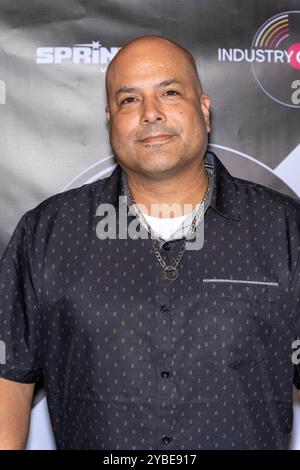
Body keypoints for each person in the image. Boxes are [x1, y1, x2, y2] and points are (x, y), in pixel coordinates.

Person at [0, 35, 299, 450]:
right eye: (128, 100)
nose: (150, 114)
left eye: (170, 92)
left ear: (204, 110)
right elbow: (7, 377)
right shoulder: (48, 233)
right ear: (111, 120)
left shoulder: (284, 229)